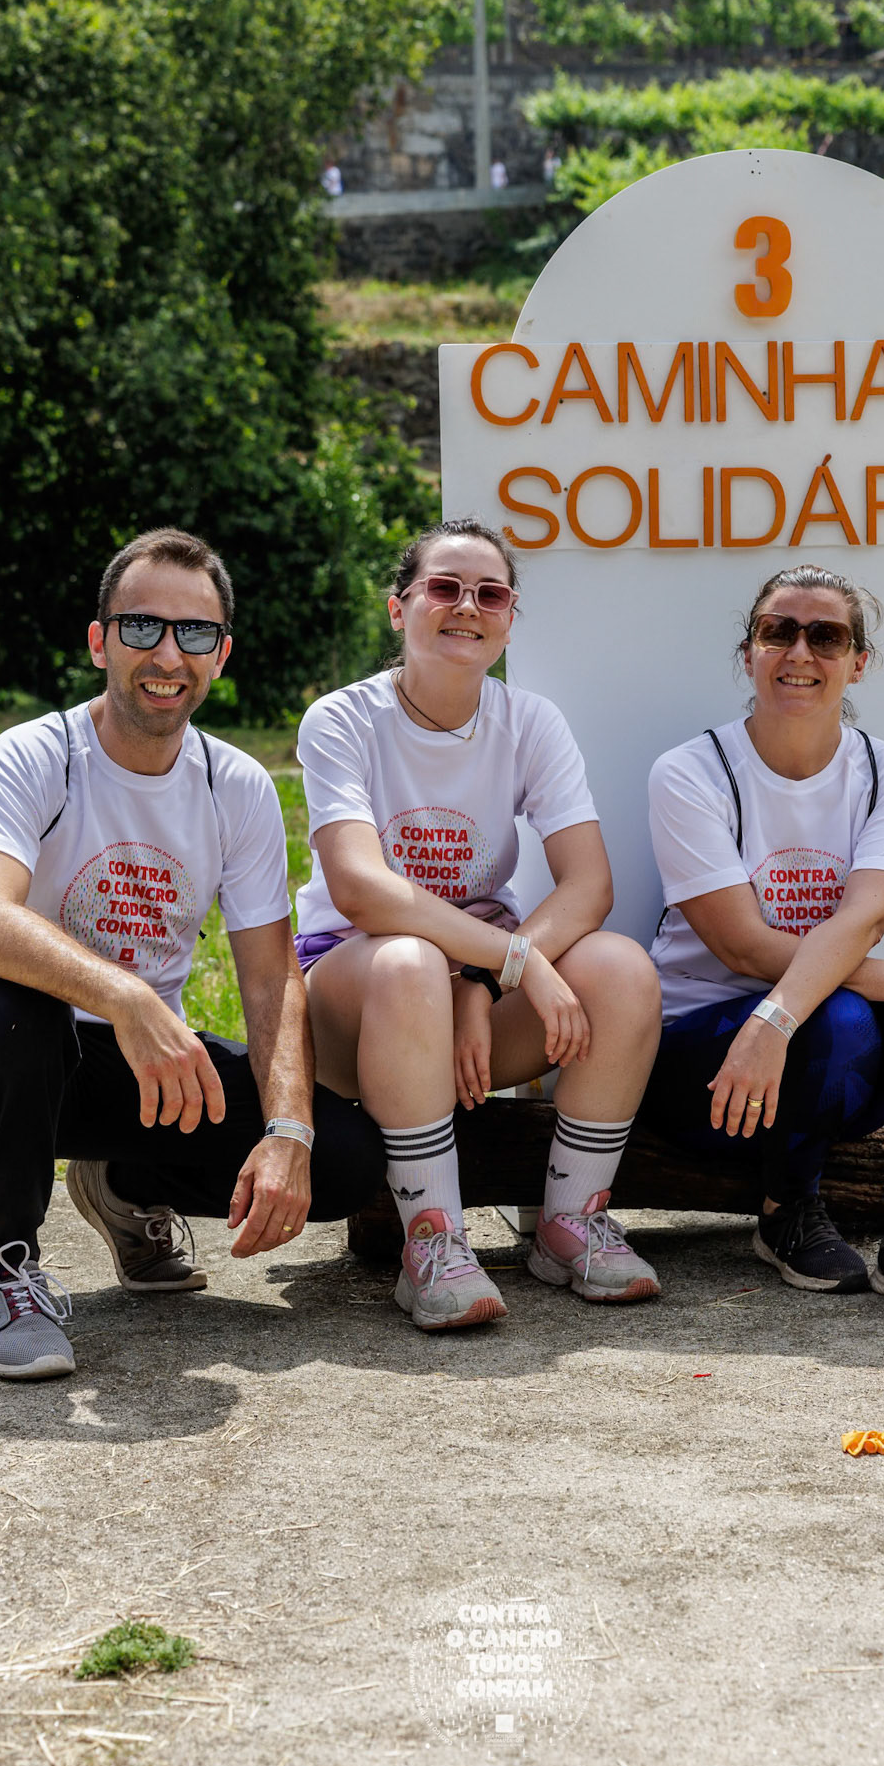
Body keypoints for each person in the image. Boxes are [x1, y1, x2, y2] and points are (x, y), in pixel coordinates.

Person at [0, 527, 383, 1381]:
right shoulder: (37, 754)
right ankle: (10, 1273)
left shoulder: (235, 785)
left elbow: (271, 978)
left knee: (345, 1156)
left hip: (135, 1068)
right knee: (18, 1009)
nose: (168, 655)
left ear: (220, 656)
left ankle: (126, 1186)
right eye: (142, 627)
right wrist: (127, 997)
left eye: (194, 633)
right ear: (100, 642)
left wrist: (288, 1132)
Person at [295, 517, 663, 1331]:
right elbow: (361, 891)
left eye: (489, 594)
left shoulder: (529, 722)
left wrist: (485, 978)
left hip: (474, 991)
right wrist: (509, 963)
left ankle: (571, 1223)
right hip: (358, 999)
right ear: (399, 608)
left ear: (508, 618)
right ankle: (434, 1243)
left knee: (620, 970)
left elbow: (589, 884)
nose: (467, 606)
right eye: (444, 587)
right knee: (407, 964)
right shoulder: (341, 720)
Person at [643, 564, 884, 1322]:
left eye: (826, 637)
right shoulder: (691, 772)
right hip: (704, 1069)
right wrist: (792, 1015)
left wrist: (881, 989)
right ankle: (786, 1213)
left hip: (821, 1065)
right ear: (749, 652)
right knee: (851, 1006)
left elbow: (864, 918)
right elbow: (741, 947)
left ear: (858, 662)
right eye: (778, 631)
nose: (799, 652)